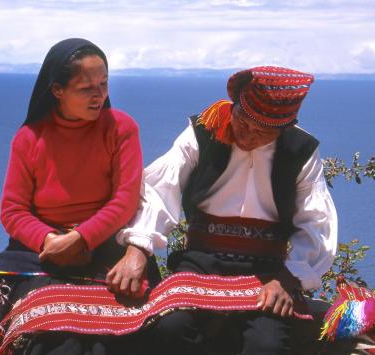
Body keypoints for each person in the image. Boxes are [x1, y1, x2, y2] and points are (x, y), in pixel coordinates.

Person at [0, 38, 159, 355]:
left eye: (104, 83)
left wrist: (81, 238)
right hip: (38, 252)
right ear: (57, 90)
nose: (99, 95)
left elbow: (124, 200)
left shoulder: (121, 128)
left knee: (81, 338)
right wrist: (50, 241)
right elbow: (12, 211)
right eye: (86, 88)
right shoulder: (29, 138)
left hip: (104, 249)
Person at [116, 66, 338, 354]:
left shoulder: (300, 150)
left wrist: (287, 279)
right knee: (170, 329)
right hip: (200, 260)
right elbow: (161, 187)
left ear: (284, 129)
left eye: (262, 133)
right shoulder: (203, 132)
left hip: (267, 269)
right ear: (234, 107)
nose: (248, 136)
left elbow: (316, 223)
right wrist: (138, 248)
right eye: (243, 123)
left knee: (266, 345)